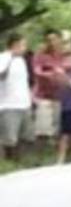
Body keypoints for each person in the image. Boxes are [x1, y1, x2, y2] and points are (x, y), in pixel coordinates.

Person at [31, 29, 69, 151]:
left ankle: (59, 155)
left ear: (59, 39)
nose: (51, 42)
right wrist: (51, 73)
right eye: (48, 40)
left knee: (59, 129)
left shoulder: (64, 55)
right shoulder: (40, 56)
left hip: (60, 96)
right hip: (43, 96)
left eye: (54, 39)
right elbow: (37, 71)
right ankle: (39, 157)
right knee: (42, 129)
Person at [0, 33, 33, 161]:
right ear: (15, 45)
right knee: (9, 138)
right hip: (9, 104)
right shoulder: (4, 57)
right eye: (23, 45)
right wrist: (10, 58)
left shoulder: (22, 61)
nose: (25, 48)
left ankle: (20, 160)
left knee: (26, 136)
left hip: (24, 103)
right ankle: (7, 161)